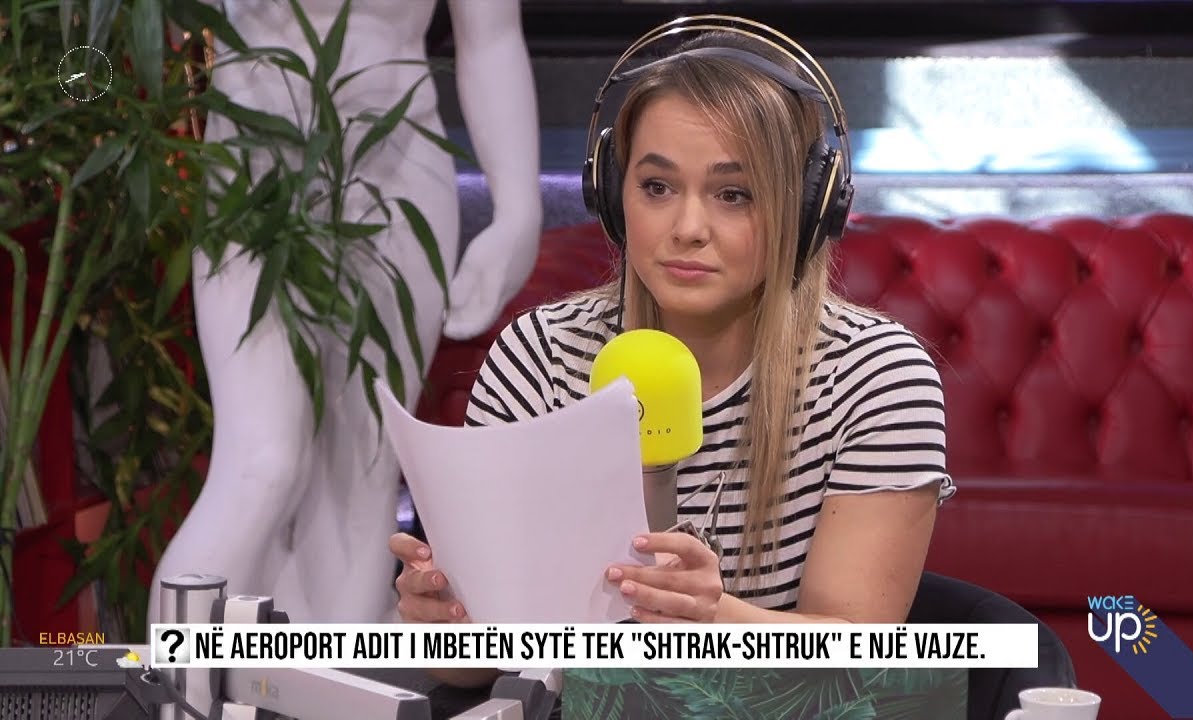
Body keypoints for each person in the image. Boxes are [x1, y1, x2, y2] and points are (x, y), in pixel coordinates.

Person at [388, 15, 956, 699]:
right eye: (657, 187)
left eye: (734, 194)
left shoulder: (877, 377)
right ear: (612, 193)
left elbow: (858, 668)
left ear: (808, 210)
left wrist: (715, 620)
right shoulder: (541, 356)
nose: (687, 229)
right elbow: (471, 668)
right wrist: (444, 623)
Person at [151, 0, 541, 625]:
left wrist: (519, 209)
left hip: (398, 173)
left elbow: (491, 36)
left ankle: (329, 680)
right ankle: (173, 679)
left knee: (362, 473)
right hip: (256, 177)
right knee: (262, 463)